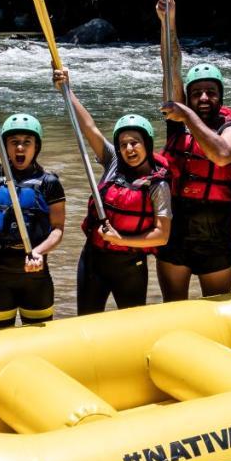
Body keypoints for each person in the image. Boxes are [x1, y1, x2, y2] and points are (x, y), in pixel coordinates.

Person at [154, 0, 231, 300]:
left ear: (220, 96)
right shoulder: (178, 118)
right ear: (189, 96)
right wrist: (169, 22)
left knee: (217, 314)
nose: (204, 98)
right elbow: (171, 65)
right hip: (177, 233)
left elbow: (222, 155)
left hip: (215, 237)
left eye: (211, 92)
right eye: (197, 94)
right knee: (173, 307)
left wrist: (186, 113)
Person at [53, 68, 171, 314]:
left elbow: (162, 236)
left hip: (130, 265)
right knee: (86, 321)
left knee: (130, 326)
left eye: (134, 142)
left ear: (147, 144)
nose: (128, 149)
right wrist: (67, 91)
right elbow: (89, 128)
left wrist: (121, 240)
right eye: (123, 144)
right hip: (93, 260)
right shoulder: (113, 161)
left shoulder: (158, 185)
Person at [0, 89, 65, 328]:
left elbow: (57, 230)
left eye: (26, 142)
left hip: (35, 274)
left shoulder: (49, 182)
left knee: (38, 342)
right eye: (14, 143)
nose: (20, 148)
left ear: (36, 147)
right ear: (6, 147)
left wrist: (39, 252)